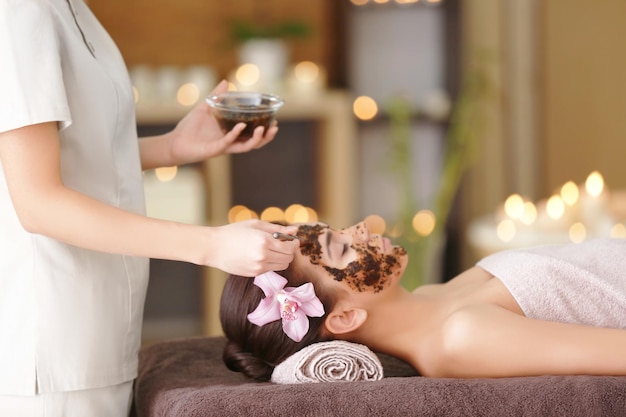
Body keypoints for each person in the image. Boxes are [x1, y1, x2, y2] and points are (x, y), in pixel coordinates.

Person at [0, 0, 299, 415]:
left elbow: (69, 156)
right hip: (52, 342)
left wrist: (173, 147)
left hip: (95, 327)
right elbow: (38, 203)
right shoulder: (18, 11)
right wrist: (210, 245)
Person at [220, 221, 626, 382]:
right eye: (342, 247)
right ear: (345, 318)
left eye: (340, 229)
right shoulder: (462, 339)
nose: (359, 228)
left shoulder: (433, 301)